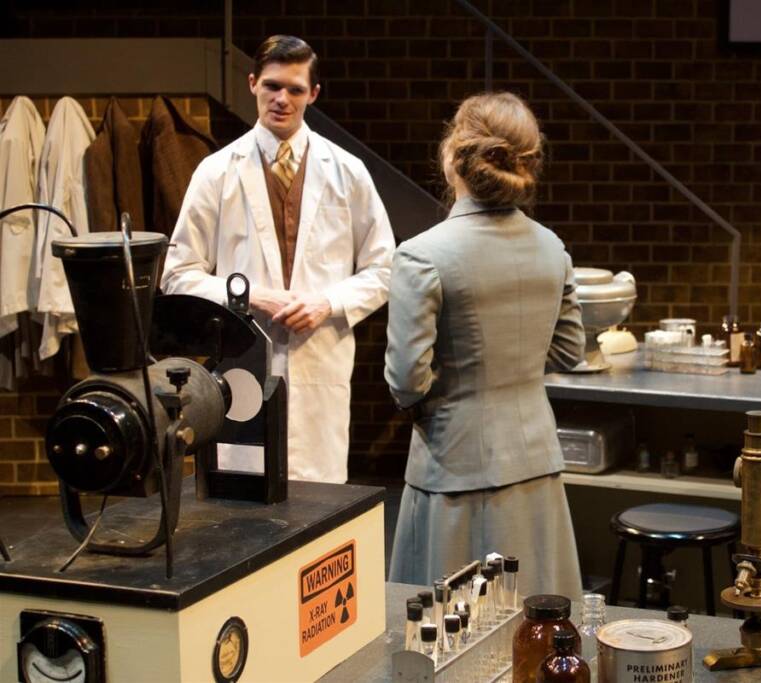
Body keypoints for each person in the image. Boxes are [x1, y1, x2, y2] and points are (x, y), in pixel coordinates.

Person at [162, 35, 394, 484]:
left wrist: (327, 302)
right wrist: (250, 297)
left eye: (295, 89)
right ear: (252, 84)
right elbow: (178, 274)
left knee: (318, 505)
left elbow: (386, 268)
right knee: (243, 498)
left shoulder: (346, 171)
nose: (281, 99)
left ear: (314, 94)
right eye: (271, 86)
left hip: (319, 359)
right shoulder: (217, 172)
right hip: (243, 355)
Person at [385, 92, 585, 599]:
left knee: (450, 636)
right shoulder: (551, 248)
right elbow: (568, 352)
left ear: (453, 156)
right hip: (537, 465)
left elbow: (406, 381)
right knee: (538, 628)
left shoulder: (421, 255)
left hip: (454, 470)